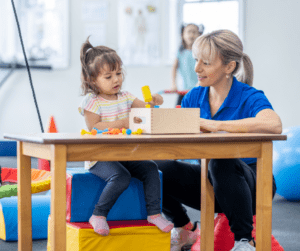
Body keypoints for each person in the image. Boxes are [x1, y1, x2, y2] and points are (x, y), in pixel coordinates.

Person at [156, 29, 282, 251]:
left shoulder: (249, 95)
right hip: (210, 181)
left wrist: (216, 126)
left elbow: (274, 124)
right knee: (156, 167)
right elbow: (181, 141)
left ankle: (245, 242)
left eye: (205, 63)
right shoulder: (194, 96)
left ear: (229, 67)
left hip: (252, 184)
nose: (196, 69)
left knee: (221, 160)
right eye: (196, 61)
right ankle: (184, 228)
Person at [78, 37, 173, 236]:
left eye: (119, 73)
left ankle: (154, 213)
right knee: (121, 176)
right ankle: (98, 214)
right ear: (92, 80)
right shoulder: (92, 101)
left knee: (151, 168)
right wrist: (122, 123)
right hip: (100, 156)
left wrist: (155, 100)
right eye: (108, 76)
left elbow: (148, 110)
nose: (116, 80)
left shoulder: (127, 97)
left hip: (124, 154)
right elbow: (94, 127)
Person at [171, 23, 204, 106]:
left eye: (194, 32)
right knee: (178, 113)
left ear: (200, 35)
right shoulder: (180, 52)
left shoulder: (201, 53)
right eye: (188, 32)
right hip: (183, 91)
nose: (191, 35)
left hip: (198, 91)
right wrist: (173, 84)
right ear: (183, 35)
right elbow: (174, 68)